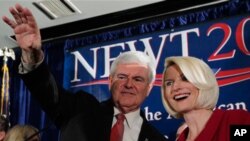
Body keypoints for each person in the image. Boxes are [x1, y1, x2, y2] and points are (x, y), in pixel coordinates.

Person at [2, 4, 168, 141]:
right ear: (110, 81)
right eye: (122, 77)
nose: (129, 84)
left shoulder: (156, 138)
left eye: (138, 79)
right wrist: (33, 54)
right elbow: (48, 93)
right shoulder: (81, 110)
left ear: (149, 87)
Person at [161, 56, 250, 141]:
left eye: (185, 78)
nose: (175, 87)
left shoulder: (235, 121)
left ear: (203, 81)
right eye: (169, 83)